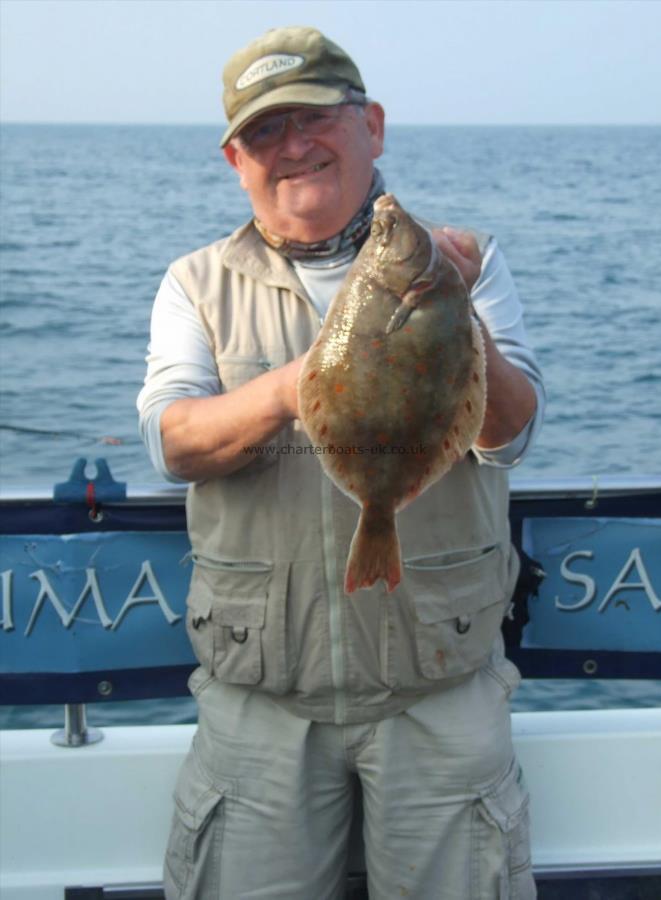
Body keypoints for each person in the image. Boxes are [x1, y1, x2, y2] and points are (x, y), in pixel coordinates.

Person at [137, 25, 544, 900]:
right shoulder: (195, 282)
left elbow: (506, 436)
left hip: (437, 688)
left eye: (314, 118)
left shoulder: (464, 262)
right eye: (264, 133)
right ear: (234, 159)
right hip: (260, 701)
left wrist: (452, 310)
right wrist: (301, 385)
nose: (292, 148)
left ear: (372, 126)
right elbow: (175, 441)